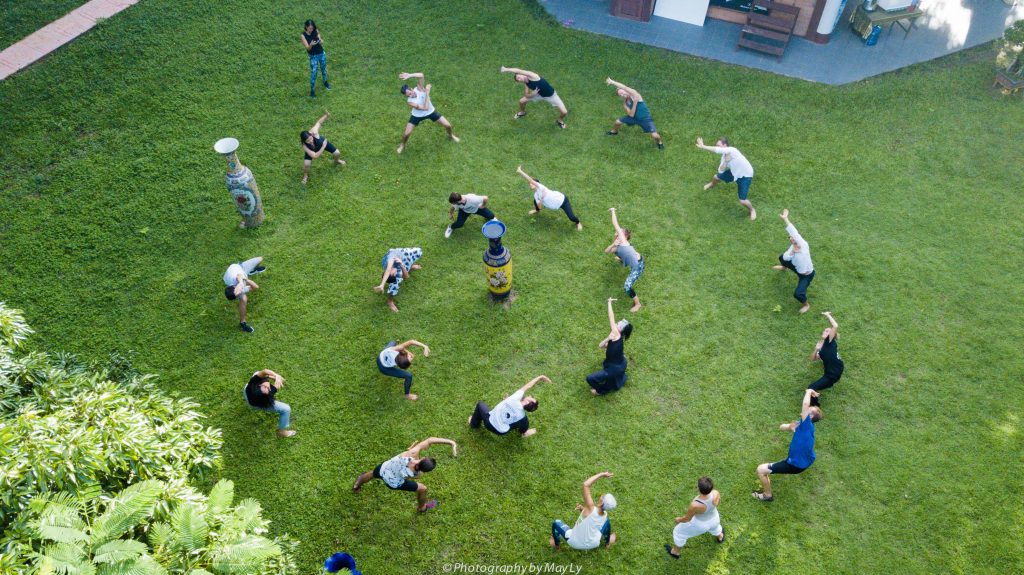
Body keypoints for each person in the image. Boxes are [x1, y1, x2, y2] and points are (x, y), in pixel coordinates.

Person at [352, 437, 458, 512]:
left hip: (383, 469)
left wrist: (451, 442)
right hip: (392, 483)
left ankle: (357, 484)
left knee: (371, 474)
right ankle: (422, 508)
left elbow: (430, 440)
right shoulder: (417, 474)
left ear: (424, 458)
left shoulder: (412, 453)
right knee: (422, 489)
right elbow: (414, 471)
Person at [753, 388, 821, 502]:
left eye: (809, 410)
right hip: (804, 460)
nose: (807, 408)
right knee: (773, 465)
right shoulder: (802, 424)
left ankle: (767, 495)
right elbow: (782, 427)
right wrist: (789, 427)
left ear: (810, 417)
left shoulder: (806, 426)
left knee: (760, 469)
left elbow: (805, 403)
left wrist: (809, 391)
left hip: (795, 465)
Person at [550, 472, 617, 550]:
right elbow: (591, 517)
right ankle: (607, 543)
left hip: (574, 543)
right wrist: (583, 510)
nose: (602, 495)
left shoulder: (591, 508)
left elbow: (586, 485)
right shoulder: (604, 514)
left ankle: (556, 545)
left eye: (604, 496)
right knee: (607, 523)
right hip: (593, 543)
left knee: (556, 523)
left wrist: (602, 474)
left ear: (602, 502)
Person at [468, 375, 550, 438]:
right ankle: (524, 433)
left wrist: (540, 377)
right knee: (523, 423)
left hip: (488, 422)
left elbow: (528, 386)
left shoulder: (514, 398)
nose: (530, 395)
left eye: (532, 397)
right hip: (499, 431)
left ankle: (473, 424)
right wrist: (506, 401)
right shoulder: (522, 416)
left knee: (480, 404)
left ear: (528, 401)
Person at [695, 137, 756, 221]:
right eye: (717, 145)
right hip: (735, 173)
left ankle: (752, 210)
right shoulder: (724, 157)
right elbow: (721, 170)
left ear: (725, 145)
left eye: (719, 145)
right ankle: (712, 184)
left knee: (742, 200)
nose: (717, 147)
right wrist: (726, 161)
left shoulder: (732, 150)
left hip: (745, 176)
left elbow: (716, 150)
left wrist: (703, 146)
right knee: (716, 177)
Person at [397, 72, 459, 154]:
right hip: (417, 115)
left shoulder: (419, 88)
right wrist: (427, 92)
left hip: (431, 112)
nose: (410, 96)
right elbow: (425, 108)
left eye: (410, 93)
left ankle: (451, 135)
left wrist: (409, 75)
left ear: (411, 89)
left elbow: (421, 75)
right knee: (407, 134)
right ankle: (402, 145)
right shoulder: (410, 102)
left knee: (448, 125)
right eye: (408, 95)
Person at [665, 477, 724, 558]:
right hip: (714, 518)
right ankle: (720, 537)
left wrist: (678, 519)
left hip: (701, 524)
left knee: (678, 532)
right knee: (715, 527)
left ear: (698, 489)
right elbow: (718, 502)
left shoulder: (695, 505)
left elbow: (687, 519)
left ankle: (675, 552)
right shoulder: (716, 493)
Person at [587, 297, 633, 395]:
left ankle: (601, 391)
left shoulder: (616, 334)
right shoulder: (615, 337)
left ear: (619, 330)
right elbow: (600, 346)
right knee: (607, 372)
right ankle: (614, 379)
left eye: (618, 324)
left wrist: (609, 303)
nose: (616, 323)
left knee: (590, 378)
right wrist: (608, 338)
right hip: (621, 363)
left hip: (614, 369)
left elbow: (611, 317)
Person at [772, 209, 815, 313]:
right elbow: (786, 257)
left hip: (806, 275)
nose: (792, 239)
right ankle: (784, 267)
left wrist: (785, 219)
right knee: (782, 258)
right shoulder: (792, 248)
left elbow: (793, 231)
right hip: (796, 268)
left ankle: (806, 305)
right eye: (790, 238)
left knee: (798, 294)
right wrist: (793, 252)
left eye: (793, 237)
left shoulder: (804, 245)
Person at [499, 66, 568, 128]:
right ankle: (522, 112)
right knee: (522, 101)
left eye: (518, 77)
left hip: (551, 95)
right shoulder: (526, 83)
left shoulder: (533, 76)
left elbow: (518, 70)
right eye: (518, 80)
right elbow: (526, 95)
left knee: (564, 112)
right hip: (538, 94)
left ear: (522, 74)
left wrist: (506, 69)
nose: (519, 79)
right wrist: (533, 94)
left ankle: (560, 120)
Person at [604, 78, 663, 150]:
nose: (623, 94)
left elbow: (624, 87)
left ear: (626, 90)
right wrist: (635, 103)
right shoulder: (625, 103)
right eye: (620, 94)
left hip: (645, 119)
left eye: (622, 92)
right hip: (633, 118)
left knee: (655, 136)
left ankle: (660, 143)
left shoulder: (635, 94)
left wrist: (612, 82)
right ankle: (614, 132)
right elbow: (631, 115)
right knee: (617, 122)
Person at [517, 165, 581, 230]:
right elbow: (540, 207)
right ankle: (536, 211)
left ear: (537, 183)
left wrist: (520, 171)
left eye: (532, 183)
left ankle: (578, 222)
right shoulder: (536, 195)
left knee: (571, 217)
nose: (530, 184)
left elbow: (529, 179)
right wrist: (541, 199)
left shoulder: (541, 187)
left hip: (563, 201)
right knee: (536, 201)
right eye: (530, 183)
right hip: (554, 205)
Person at [604, 208, 643, 312]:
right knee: (619, 252)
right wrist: (614, 244)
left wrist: (613, 211)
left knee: (627, 286)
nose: (618, 230)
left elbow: (615, 223)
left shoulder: (623, 241)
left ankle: (638, 304)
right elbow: (607, 251)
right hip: (631, 256)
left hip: (637, 266)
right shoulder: (618, 244)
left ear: (624, 236)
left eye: (620, 231)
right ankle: (622, 259)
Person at [243, 369, 295, 438]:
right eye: (268, 389)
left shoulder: (252, 384)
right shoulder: (268, 395)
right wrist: (275, 383)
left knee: (257, 373)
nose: (268, 386)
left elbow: (264, 371)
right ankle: (282, 432)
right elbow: (271, 389)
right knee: (286, 409)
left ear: (259, 385)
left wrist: (275, 376)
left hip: (247, 393)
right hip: (256, 404)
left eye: (265, 386)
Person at [300, 111, 346, 184]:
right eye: (308, 141)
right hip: (317, 148)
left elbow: (319, 123)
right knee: (306, 164)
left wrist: (326, 115)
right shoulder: (305, 145)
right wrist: (323, 146)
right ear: (304, 141)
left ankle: (337, 161)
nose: (311, 141)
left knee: (337, 153)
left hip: (321, 142)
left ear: (311, 135)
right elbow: (315, 156)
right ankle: (305, 176)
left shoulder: (314, 131)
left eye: (310, 139)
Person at [223, 256, 265, 332]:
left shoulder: (234, 279)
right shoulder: (239, 289)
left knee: (260, 259)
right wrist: (246, 281)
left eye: (237, 291)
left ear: (234, 286)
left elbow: (239, 276)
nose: (239, 291)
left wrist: (241, 282)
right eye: (237, 294)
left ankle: (251, 270)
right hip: (241, 273)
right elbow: (255, 287)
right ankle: (243, 323)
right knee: (244, 299)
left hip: (240, 267)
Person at [373, 248, 423, 313]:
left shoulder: (390, 260)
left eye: (393, 273)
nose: (396, 272)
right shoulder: (397, 272)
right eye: (395, 274)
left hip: (399, 254)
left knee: (418, 251)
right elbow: (406, 277)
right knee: (395, 285)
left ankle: (410, 266)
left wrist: (382, 284)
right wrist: (401, 265)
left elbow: (388, 270)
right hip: (400, 262)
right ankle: (390, 301)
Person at [809, 311, 844, 392]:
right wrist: (816, 349)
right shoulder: (821, 344)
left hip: (833, 373)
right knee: (811, 388)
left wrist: (828, 315)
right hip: (831, 371)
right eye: (824, 330)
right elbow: (813, 359)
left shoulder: (829, 341)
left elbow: (835, 325)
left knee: (810, 388)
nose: (825, 331)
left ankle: (811, 402)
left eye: (828, 331)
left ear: (832, 335)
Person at [301, 20, 331, 98]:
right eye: (310, 28)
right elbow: (308, 48)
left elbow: (321, 41)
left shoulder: (315, 31)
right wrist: (311, 44)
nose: (311, 29)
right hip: (313, 56)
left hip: (321, 54)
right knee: (314, 73)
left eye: (312, 28)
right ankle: (312, 91)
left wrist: (320, 41)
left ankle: (325, 82)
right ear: (306, 27)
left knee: (323, 69)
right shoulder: (303, 36)